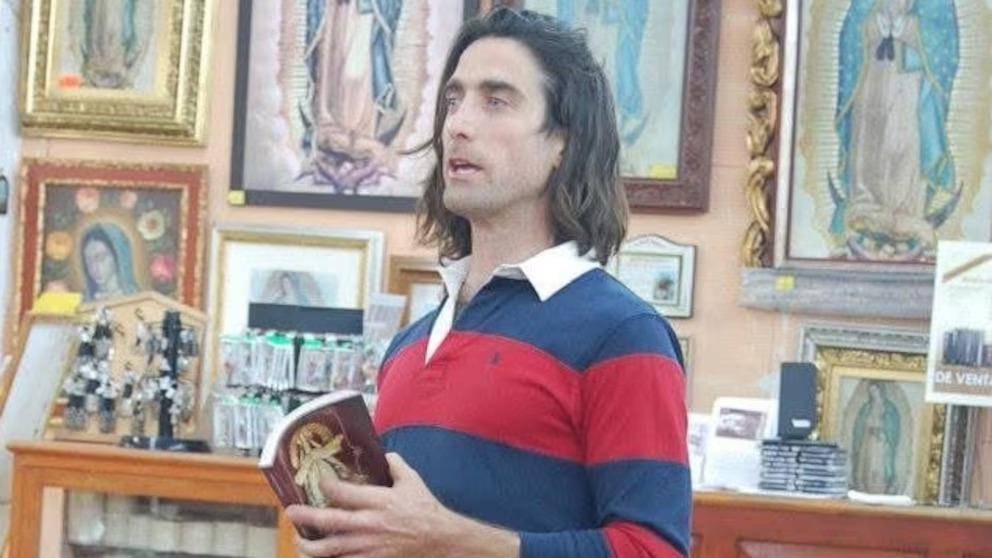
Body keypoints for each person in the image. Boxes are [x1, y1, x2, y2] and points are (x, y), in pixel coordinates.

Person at [286, 8, 690, 557]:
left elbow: (654, 550)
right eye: (453, 100)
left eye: (496, 101)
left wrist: (450, 540)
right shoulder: (409, 345)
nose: (458, 124)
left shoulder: (623, 334)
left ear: (563, 143)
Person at [830, 0, 960, 260]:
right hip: (871, 76)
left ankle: (905, 213)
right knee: (868, 139)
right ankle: (866, 205)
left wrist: (908, 28)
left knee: (904, 140)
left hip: (910, 80)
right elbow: (851, 32)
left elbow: (946, 43)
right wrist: (872, 26)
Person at [851, 381, 902, 494]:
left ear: (880, 391)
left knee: (880, 464)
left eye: (875, 390)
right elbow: (859, 425)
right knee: (867, 463)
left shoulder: (889, 408)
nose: (873, 393)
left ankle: (881, 488)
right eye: (871, 391)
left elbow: (893, 427)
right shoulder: (866, 407)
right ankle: (866, 488)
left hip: (882, 442)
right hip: (868, 441)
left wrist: (883, 432)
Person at [80, 223, 140, 301]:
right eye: (88, 261)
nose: (94, 267)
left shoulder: (136, 295)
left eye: (100, 258)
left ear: (116, 255)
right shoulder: (86, 301)